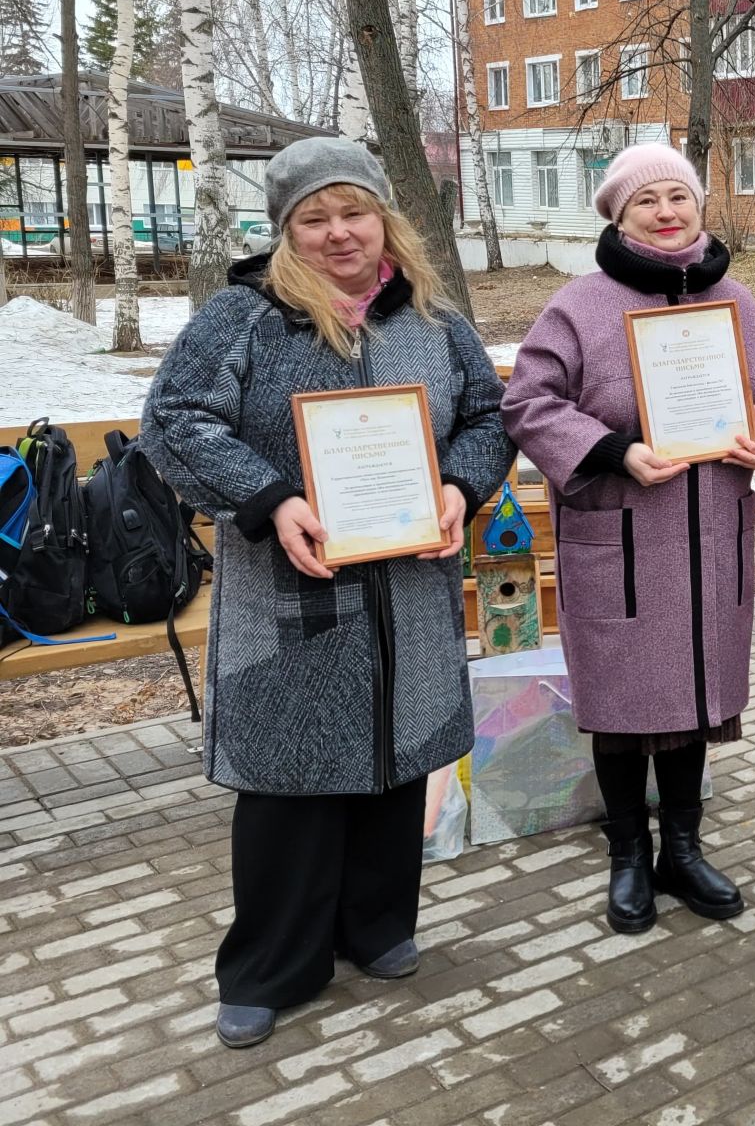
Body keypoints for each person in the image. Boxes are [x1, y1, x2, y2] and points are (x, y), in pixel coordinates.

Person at [140, 137, 514, 1049]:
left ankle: (377, 925)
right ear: (285, 230)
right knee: (289, 784)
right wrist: (272, 499)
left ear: (384, 215)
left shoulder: (432, 319)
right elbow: (174, 420)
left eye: (355, 211)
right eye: (315, 218)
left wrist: (463, 486)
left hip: (409, 588)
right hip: (290, 593)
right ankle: (271, 964)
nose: (339, 233)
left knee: (394, 758)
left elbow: (485, 413)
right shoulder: (245, 318)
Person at [502, 144, 755, 934]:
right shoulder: (580, 306)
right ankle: (629, 856)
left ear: (700, 208)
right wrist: (614, 452)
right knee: (624, 706)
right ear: (617, 215)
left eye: (680, 197)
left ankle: (683, 848)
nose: (667, 212)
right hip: (622, 540)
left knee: (691, 701)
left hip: (710, 541)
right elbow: (529, 403)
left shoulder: (738, 304)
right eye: (647, 202)